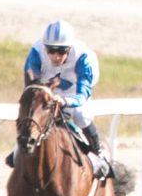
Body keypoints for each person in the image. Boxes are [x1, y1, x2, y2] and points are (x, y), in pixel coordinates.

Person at [11, 18, 110, 178]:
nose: (55, 56)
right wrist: (45, 96)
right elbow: (30, 85)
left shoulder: (83, 57)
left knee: (80, 114)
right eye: (51, 50)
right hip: (47, 91)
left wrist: (65, 101)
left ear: (69, 48)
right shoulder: (36, 51)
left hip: (74, 94)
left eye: (61, 51)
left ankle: (98, 152)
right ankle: (18, 150)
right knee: (32, 114)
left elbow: (83, 94)